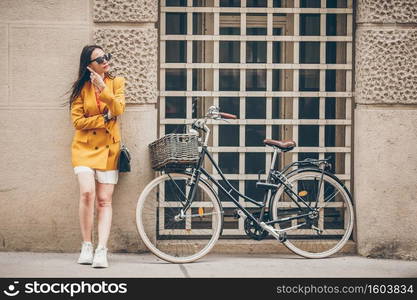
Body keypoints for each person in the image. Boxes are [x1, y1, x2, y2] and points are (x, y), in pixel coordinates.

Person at [68, 45, 126, 268]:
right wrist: (104, 119)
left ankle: (101, 249)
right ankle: (86, 244)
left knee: (104, 201)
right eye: (99, 59)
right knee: (87, 193)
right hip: (83, 147)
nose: (105, 61)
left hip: (109, 148)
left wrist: (104, 89)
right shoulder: (80, 88)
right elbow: (77, 122)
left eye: (106, 56)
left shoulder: (117, 82)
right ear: (89, 66)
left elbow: (119, 109)